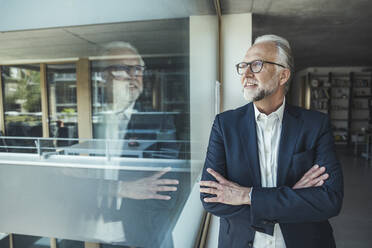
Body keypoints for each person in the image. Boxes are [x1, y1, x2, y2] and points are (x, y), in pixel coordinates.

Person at [199, 34, 343, 248]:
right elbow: (211, 197)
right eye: (243, 65)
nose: (245, 74)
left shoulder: (315, 124)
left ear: (283, 75)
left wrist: (246, 195)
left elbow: (330, 200)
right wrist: (292, 196)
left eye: (256, 65)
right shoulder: (224, 125)